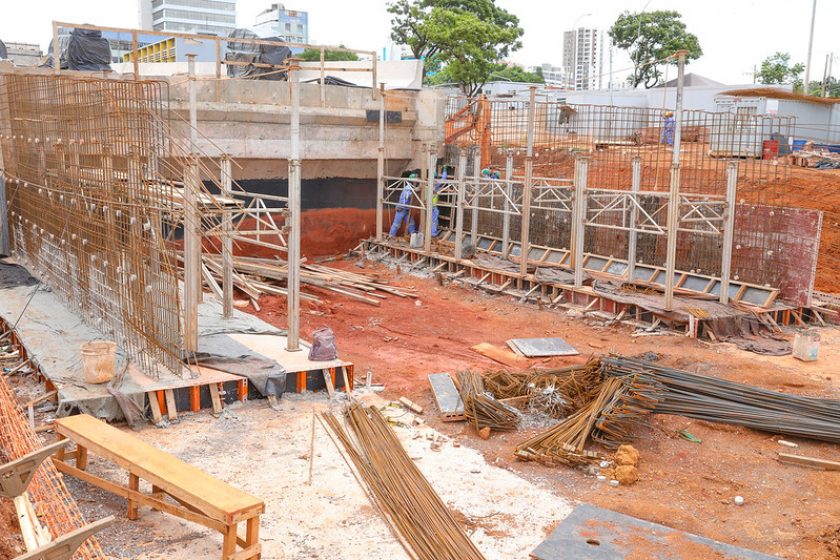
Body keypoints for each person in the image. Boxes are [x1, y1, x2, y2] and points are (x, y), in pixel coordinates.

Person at [388, 173, 418, 237]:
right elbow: (406, 198)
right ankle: (391, 236)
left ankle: (413, 236)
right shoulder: (408, 188)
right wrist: (414, 191)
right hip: (401, 208)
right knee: (396, 224)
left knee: (411, 223)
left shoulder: (411, 188)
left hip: (407, 209)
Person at [430, 169, 448, 237]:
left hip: (425, 205)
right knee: (434, 220)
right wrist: (444, 171)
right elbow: (443, 179)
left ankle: (422, 232)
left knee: (425, 218)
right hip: (432, 206)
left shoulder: (426, 183)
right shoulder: (435, 184)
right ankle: (433, 234)